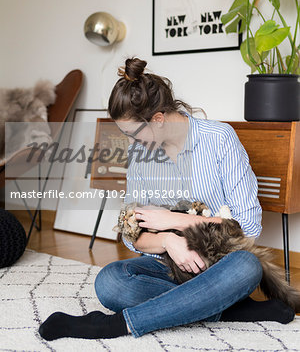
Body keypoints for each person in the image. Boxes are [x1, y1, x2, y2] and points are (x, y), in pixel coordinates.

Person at [39, 57, 295, 341]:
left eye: (133, 134)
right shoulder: (140, 155)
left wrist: (175, 220)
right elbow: (130, 233)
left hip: (222, 263)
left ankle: (114, 326)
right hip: (170, 264)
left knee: (247, 267)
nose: (131, 144)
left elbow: (248, 226)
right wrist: (168, 242)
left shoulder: (220, 139)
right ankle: (231, 310)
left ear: (158, 120)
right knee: (110, 282)